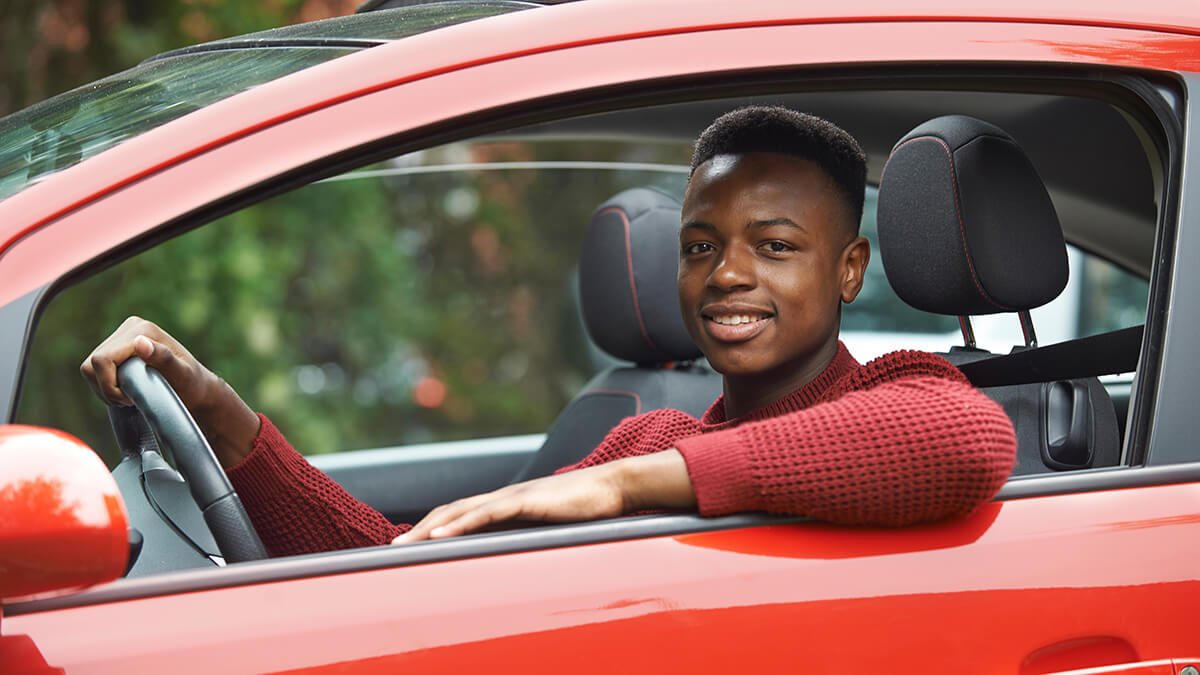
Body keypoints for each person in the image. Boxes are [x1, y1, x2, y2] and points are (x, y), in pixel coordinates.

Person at [81, 106, 1017, 557]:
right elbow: (396, 564)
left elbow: (968, 441)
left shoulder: (898, 394)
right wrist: (215, 406)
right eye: (701, 245)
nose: (728, 273)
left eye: (774, 246)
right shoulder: (649, 433)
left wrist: (622, 488)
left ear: (849, 268)